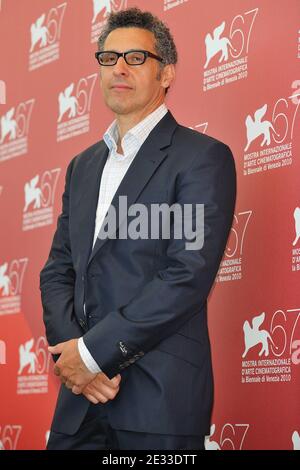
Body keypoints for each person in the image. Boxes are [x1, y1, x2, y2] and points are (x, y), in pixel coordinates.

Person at [40, 7, 236, 450]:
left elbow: (186, 276)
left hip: (158, 402)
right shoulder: (82, 167)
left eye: (135, 58)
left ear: (166, 73)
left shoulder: (201, 157)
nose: (119, 69)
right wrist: (77, 361)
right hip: (79, 403)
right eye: (108, 59)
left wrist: (92, 356)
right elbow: (58, 271)